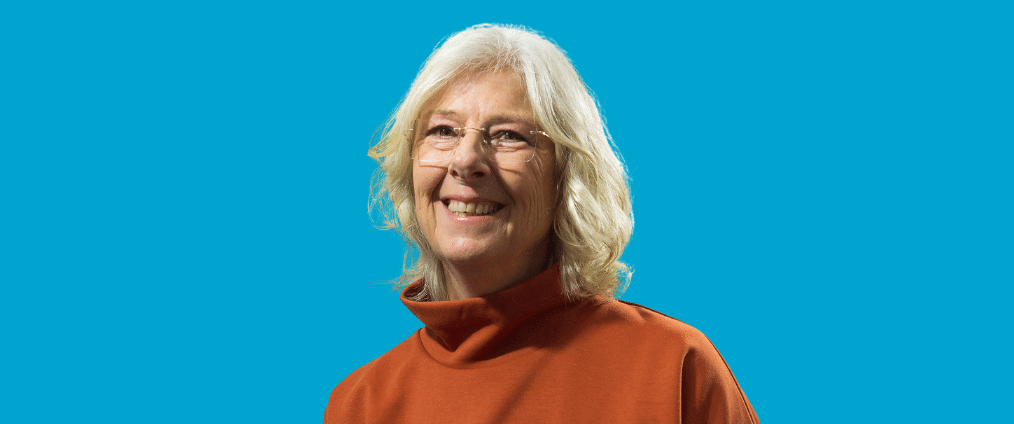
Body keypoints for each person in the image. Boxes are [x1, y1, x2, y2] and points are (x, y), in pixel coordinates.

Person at [325, 24, 758, 423]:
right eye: (443, 131)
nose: (466, 160)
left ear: (566, 178)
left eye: (508, 135)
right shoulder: (361, 403)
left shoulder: (675, 368)